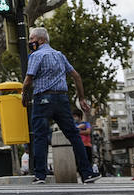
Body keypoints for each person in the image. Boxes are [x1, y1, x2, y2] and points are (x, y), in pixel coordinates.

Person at [21, 27, 98, 185]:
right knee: (74, 135)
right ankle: (87, 173)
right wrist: (81, 98)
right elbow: (76, 75)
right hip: (62, 99)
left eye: (31, 39)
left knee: (40, 136)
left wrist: (24, 96)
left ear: (41, 40)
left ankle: (40, 175)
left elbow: (28, 80)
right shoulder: (59, 55)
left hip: (43, 99)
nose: (30, 42)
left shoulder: (36, 55)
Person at [75, 108, 94, 174]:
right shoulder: (75, 125)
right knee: (79, 162)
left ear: (79, 116)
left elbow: (88, 132)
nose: (74, 118)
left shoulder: (86, 123)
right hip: (78, 146)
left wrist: (78, 131)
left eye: (75, 116)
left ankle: (89, 173)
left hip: (87, 145)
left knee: (88, 160)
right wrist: (80, 128)